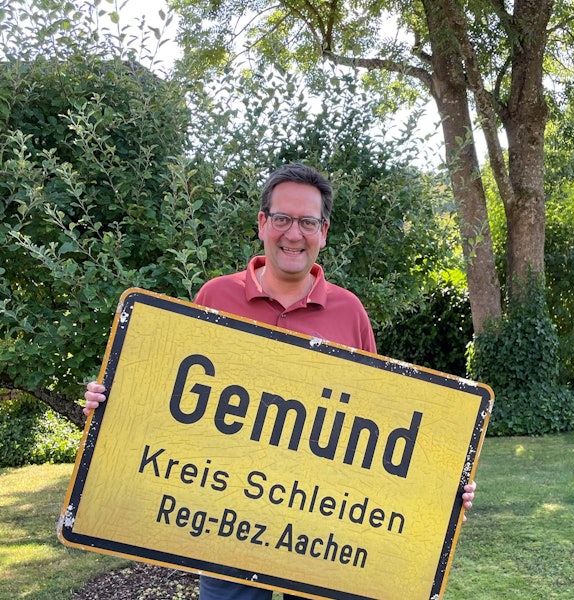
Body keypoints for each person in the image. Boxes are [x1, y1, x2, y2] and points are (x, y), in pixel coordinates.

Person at [84, 163, 477, 600]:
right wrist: (114, 403)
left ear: (323, 232)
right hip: (222, 521)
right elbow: (171, 396)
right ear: (262, 223)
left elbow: (379, 423)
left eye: (307, 222)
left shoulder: (350, 312)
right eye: (283, 219)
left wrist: (439, 485)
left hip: (321, 530)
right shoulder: (214, 298)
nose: (294, 234)